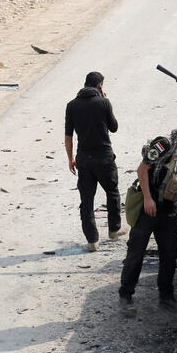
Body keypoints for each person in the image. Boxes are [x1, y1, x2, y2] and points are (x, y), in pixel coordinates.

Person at [119, 117, 177, 316]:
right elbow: (142, 169)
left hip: (169, 207)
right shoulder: (165, 144)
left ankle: (166, 298)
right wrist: (147, 198)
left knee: (170, 255)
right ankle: (126, 296)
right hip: (149, 202)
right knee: (136, 252)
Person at [64, 71, 121, 252]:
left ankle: (92, 241)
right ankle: (113, 230)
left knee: (86, 200)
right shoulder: (103, 102)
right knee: (112, 193)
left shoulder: (71, 105)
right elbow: (114, 127)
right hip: (104, 157)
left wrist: (70, 158)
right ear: (99, 85)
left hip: (84, 159)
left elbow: (68, 136)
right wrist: (106, 102)